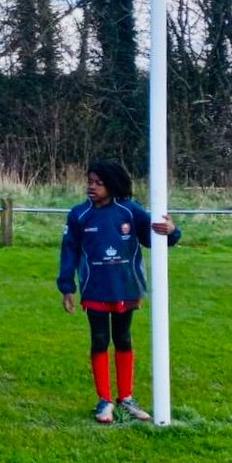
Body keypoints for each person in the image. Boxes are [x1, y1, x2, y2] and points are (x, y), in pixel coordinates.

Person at [57, 160, 180, 423]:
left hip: (126, 286)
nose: (92, 187)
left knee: (123, 338)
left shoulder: (130, 211)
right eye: (89, 181)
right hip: (95, 289)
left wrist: (172, 231)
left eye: (98, 183)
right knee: (100, 340)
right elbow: (69, 251)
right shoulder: (79, 214)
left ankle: (126, 398)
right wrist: (66, 286)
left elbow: (155, 238)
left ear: (112, 185)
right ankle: (104, 401)